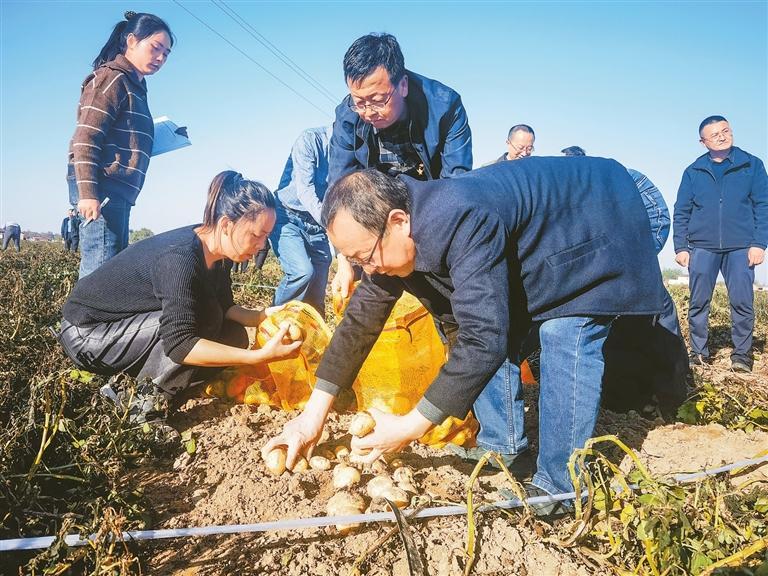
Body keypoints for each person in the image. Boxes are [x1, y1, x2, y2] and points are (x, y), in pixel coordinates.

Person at [263, 158, 665, 504]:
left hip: (608, 217)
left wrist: (409, 427)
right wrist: (311, 418)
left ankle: (560, 487)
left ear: (398, 221)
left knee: (564, 332)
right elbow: (359, 322)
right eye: (354, 260)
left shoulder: (459, 216)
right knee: (470, 324)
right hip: (554, 238)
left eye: (364, 257)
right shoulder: (388, 238)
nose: (368, 269)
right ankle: (501, 449)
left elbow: (484, 338)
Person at [57, 171, 301, 422]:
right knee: (202, 321)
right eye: (256, 235)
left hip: (127, 328)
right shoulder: (180, 258)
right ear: (227, 225)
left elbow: (226, 307)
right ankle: (138, 402)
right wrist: (256, 357)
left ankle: (161, 384)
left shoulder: (219, 256)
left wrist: (264, 316)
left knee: (233, 335)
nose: (262, 245)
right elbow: (180, 343)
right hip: (86, 333)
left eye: (266, 237)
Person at [328, 33, 473, 300]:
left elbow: (456, 186)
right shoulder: (348, 116)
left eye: (378, 99)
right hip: (379, 221)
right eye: (359, 101)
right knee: (373, 294)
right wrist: (345, 261)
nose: (369, 111)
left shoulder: (444, 107)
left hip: (432, 209)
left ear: (402, 85)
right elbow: (340, 191)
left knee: (441, 293)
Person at [67, 11, 174, 278]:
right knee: (99, 276)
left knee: (110, 272)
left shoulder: (135, 85)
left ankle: (92, 320)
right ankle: (83, 322)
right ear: (131, 41)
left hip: (118, 191)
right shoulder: (111, 79)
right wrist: (89, 194)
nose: (160, 58)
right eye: (156, 48)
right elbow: (85, 139)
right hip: (103, 188)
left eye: (166, 54)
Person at [673, 116, 768, 372]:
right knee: (698, 302)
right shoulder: (693, 171)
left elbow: (763, 205)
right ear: (703, 142)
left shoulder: (752, 165)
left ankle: (742, 357)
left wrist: (760, 243)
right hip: (702, 246)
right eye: (715, 134)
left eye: (725, 131)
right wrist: (681, 247)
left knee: (742, 301)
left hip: (741, 246)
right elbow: (682, 209)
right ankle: (699, 354)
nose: (722, 136)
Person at [270, 127, 334, 316]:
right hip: (288, 217)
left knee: (318, 288)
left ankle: (314, 338)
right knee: (302, 272)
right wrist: (333, 227)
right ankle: (275, 322)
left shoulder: (352, 152)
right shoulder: (310, 140)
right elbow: (304, 190)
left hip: (316, 225)